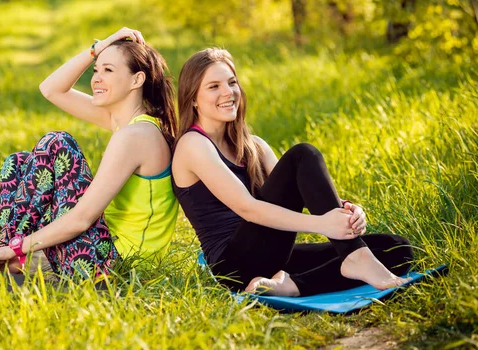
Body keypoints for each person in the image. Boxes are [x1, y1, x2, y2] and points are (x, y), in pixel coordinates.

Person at [171, 48, 414, 297]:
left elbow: (304, 189)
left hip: (271, 256)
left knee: (396, 248)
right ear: (193, 99)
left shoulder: (252, 145)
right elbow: (248, 208)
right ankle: (356, 257)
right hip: (234, 267)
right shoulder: (193, 144)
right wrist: (323, 225)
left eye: (232, 82)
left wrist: (347, 212)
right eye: (213, 86)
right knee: (302, 155)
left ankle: (295, 285)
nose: (227, 92)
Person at [0, 28, 179, 280]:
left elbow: (81, 219)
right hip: (98, 249)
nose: (96, 79)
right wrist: (98, 48)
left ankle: (11, 250)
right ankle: (11, 253)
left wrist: (19, 245)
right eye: (96, 69)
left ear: (137, 80)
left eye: (108, 70)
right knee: (18, 163)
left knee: (58, 142)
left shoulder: (136, 136)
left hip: (116, 264)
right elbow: (51, 89)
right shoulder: (126, 123)